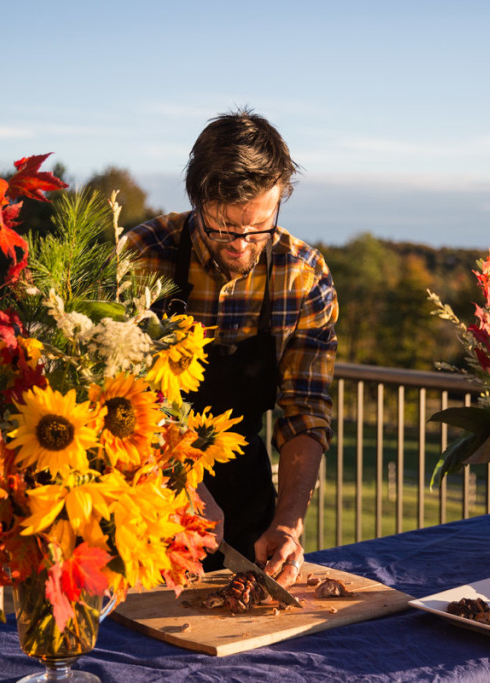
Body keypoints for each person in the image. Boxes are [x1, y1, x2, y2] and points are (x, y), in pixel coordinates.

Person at [124, 109, 338, 588]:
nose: (242, 243)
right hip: (143, 494)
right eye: (224, 227)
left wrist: (288, 522)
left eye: (259, 226)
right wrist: (186, 489)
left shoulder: (302, 276)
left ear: (281, 197)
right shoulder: (142, 256)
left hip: (248, 499)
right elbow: (124, 399)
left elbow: (305, 409)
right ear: (198, 198)